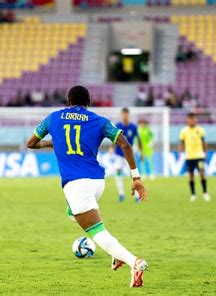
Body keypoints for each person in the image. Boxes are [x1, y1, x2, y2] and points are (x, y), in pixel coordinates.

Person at [26, 85, 148, 288]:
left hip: (76, 184)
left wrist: (50, 143)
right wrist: (135, 177)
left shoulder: (54, 118)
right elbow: (125, 144)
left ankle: (133, 262)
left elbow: (31, 143)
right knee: (70, 213)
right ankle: (114, 252)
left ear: (68, 102)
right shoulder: (100, 121)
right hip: (97, 182)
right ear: (88, 103)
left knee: (97, 232)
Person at [178, 113, 210, 202]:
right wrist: (180, 153)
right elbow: (181, 143)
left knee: (202, 174)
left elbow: (204, 142)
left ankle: (205, 193)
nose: (191, 121)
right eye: (190, 119)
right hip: (189, 157)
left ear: (195, 120)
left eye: (193, 119)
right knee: (190, 176)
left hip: (199, 156)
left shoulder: (200, 130)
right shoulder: (184, 131)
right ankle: (193, 195)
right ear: (187, 120)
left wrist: (206, 153)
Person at [113, 108, 142, 203]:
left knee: (133, 174)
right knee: (117, 173)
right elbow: (113, 138)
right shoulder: (118, 126)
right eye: (123, 114)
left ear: (128, 115)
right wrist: (111, 148)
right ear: (121, 115)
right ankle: (121, 194)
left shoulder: (133, 127)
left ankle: (137, 195)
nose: (124, 116)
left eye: (126, 114)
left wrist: (141, 152)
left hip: (129, 156)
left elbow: (139, 139)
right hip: (119, 154)